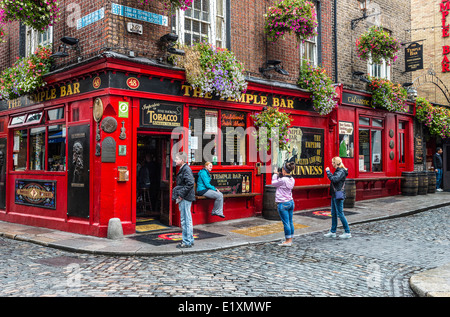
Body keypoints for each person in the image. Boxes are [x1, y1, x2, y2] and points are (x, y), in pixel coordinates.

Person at [324, 157, 351, 239]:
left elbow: (334, 179)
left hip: (338, 195)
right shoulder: (339, 171)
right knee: (334, 213)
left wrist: (328, 172)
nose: (332, 164)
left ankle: (347, 232)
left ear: (336, 163)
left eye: (333, 162)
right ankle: (333, 231)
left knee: (340, 213)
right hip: (334, 194)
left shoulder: (341, 171)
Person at [172, 152, 195, 248]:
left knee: (185, 219)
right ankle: (190, 239)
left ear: (182, 160)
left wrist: (181, 195)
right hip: (185, 197)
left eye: (177, 159)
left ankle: (187, 241)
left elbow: (190, 183)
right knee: (186, 219)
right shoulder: (184, 169)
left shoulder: (186, 169)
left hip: (185, 197)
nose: (175, 160)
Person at [271, 162, 296, 246]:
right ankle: (290, 238)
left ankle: (287, 241)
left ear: (284, 170)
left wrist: (275, 174)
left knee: (286, 223)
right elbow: (283, 180)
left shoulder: (283, 180)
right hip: (290, 202)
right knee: (290, 221)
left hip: (283, 203)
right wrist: (280, 175)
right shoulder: (292, 179)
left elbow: (274, 183)